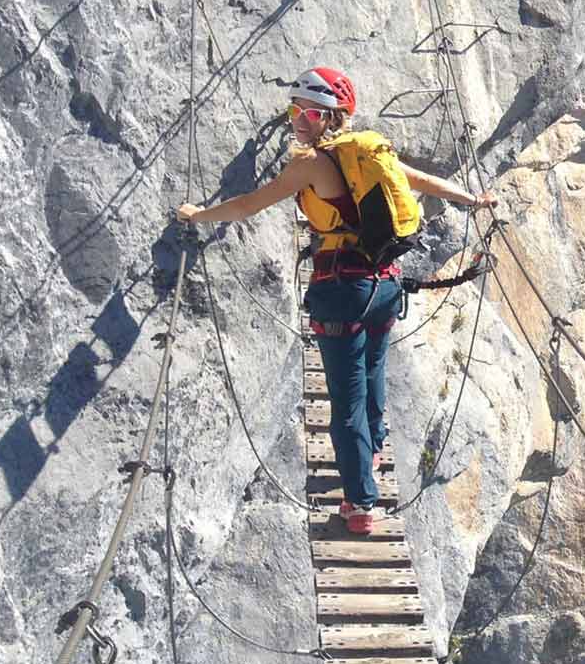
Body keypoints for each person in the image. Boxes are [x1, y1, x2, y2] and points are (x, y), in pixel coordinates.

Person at [177, 67, 496, 532]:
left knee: (345, 400)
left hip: (341, 289)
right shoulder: (366, 156)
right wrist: (472, 198)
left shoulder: (309, 165)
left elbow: (249, 204)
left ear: (329, 117)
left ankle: (361, 504)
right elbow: (420, 181)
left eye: (307, 113)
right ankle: (375, 443)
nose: (298, 121)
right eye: (294, 111)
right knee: (372, 372)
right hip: (384, 285)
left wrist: (199, 214)